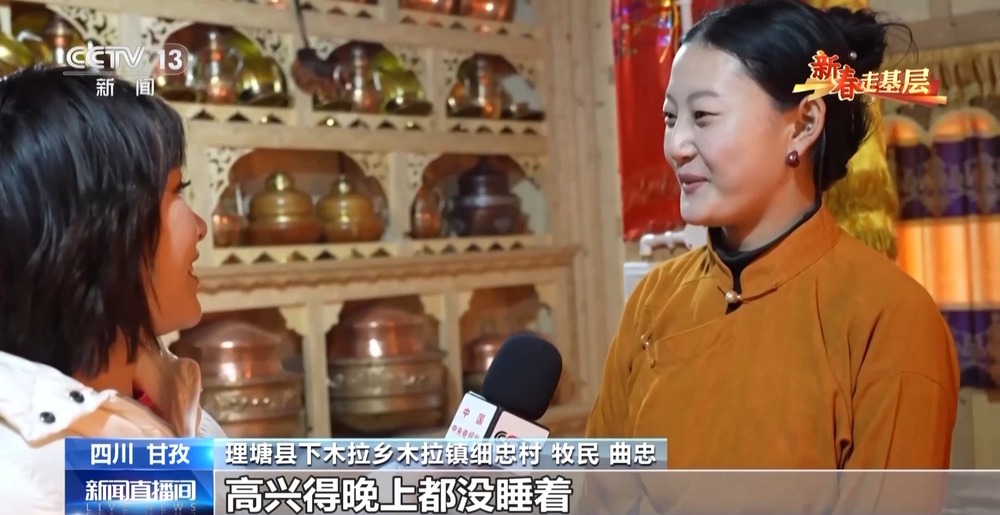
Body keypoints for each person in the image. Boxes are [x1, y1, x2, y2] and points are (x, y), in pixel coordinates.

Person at [587, 0, 959, 471]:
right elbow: (600, 486)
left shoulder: (889, 319)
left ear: (803, 125)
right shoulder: (654, 299)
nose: (676, 146)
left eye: (703, 115)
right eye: (670, 118)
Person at [0, 67, 223, 513]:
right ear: (97, 231)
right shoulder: (24, 480)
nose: (200, 227)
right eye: (176, 190)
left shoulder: (169, 399)